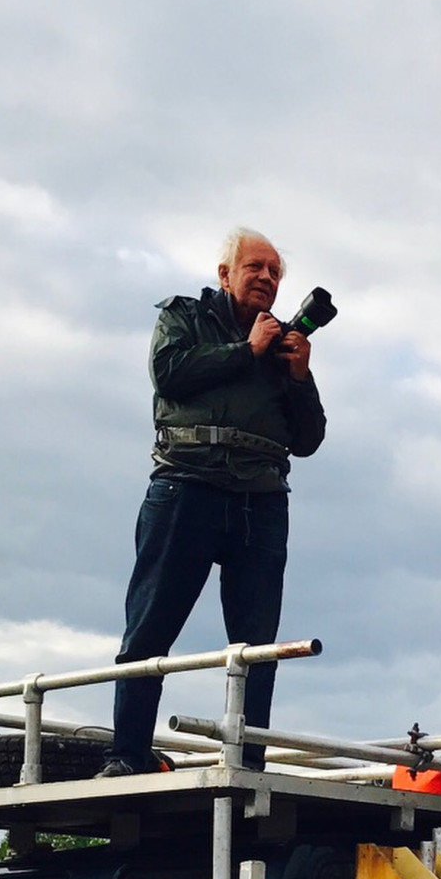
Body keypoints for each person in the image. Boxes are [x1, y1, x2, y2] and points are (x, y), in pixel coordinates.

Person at [104, 227, 327, 777]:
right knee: (149, 629)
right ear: (225, 273)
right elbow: (170, 373)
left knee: (256, 646)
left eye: (275, 272)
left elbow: (309, 439)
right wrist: (244, 351)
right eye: (255, 267)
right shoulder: (185, 318)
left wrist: (298, 375)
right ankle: (126, 754)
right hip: (187, 484)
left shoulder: (284, 347)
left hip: (261, 499)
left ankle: (248, 762)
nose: (267, 278)